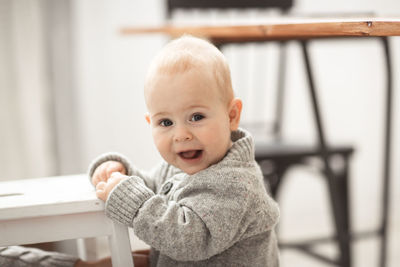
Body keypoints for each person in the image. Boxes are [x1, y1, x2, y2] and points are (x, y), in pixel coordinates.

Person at [0, 35, 280, 267]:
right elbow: (151, 186)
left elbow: (188, 239)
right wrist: (120, 172)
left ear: (231, 116)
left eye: (196, 117)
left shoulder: (236, 185)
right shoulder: (182, 166)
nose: (181, 134)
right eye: (165, 122)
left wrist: (130, 200)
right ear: (151, 123)